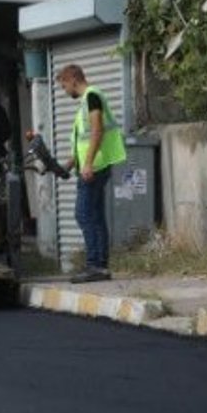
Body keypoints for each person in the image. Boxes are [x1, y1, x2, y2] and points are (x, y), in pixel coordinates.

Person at [56, 64, 127, 283]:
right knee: (94, 215)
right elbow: (83, 140)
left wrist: (87, 164)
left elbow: (97, 130)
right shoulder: (87, 100)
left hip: (94, 166)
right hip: (92, 165)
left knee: (84, 214)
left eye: (64, 86)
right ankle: (100, 266)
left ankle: (95, 265)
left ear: (73, 79)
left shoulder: (92, 96)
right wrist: (68, 165)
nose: (65, 91)